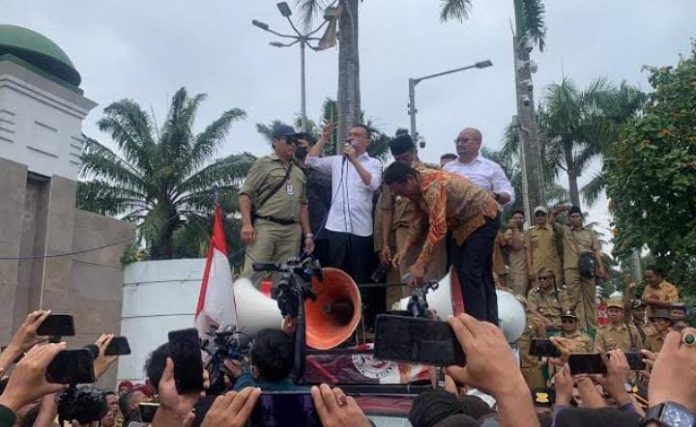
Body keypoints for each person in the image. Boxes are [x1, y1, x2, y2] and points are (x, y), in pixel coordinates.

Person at [384, 163, 500, 323]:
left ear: (409, 179)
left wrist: (420, 264)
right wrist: (404, 250)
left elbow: (438, 228)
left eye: (402, 192)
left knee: (470, 274)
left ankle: (478, 327)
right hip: (463, 226)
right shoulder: (417, 189)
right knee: (468, 275)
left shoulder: (433, 187)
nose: (403, 197)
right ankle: (488, 324)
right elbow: (418, 221)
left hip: (483, 217)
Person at [306, 124, 383, 326]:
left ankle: (361, 320)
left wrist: (355, 161)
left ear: (367, 141)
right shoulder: (336, 162)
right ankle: (336, 319)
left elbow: (373, 184)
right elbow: (310, 161)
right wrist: (323, 138)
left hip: (361, 228)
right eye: (350, 135)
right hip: (336, 227)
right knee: (337, 273)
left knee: (360, 275)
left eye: (357, 135)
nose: (352, 138)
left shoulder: (373, 163)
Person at [239, 124, 314, 287]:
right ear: (275, 142)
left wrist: (308, 234)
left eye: (295, 141)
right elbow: (245, 194)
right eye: (288, 140)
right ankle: (245, 311)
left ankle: (281, 312)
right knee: (253, 272)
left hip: (292, 230)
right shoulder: (264, 164)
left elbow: (303, 205)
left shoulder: (298, 171)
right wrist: (246, 224)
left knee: (286, 279)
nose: (293, 145)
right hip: (266, 225)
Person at [378, 134, 445, 306]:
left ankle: (435, 310)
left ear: (414, 152)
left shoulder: (433, 171)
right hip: (404, 230)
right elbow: (387, 210)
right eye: (397, 159)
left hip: (432, 228)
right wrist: (386, 242)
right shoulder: (391, 176)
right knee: (407, 277)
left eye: (405, 158)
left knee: (433, 272)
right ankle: (411, 312)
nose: (402, 162)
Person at [551, 205, 607, 331]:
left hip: (588, 269)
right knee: (574, 300)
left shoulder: (590, 233)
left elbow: (596, 250)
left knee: (590, 300)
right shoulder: (565, 231)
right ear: (569, 219)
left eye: (577, 216)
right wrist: (560, 209)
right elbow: (551, 221)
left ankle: (593, 330)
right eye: (572, 217)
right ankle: (579, 329)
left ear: (581, 218)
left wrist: (601, 267)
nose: (574, 219)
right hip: (571, 268)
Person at [442, 127, 514, 207]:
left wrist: (495, 196)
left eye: (465, 141)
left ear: (478, 144)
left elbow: (509, 195)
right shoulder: (447, 168)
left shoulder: (492, 167)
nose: (459, 144)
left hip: (485, 216)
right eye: (457, 141)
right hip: (454, 216)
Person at [296, 130, 333, 268]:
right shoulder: (291, 171)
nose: (297, 147)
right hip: (298, 233)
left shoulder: (324, 171)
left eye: (301, 144)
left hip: (322, 232)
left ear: (311, 146)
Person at [233, 329, 303, 391]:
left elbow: (245, 380)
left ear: (255, 371)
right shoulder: (309, 396)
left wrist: (241, 374)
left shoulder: (242, 390)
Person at [525, 206, 563, 290]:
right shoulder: (530, 232)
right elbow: (528, 251)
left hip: (553, 265)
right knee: (538, 291)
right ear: (534, 217)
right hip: (537, 266)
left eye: (542, 215)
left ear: (546, 216)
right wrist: (530, 269)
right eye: (537, 215)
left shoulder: (553, 229)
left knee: (556, 290)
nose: (540, 217)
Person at [517, 297, 547, 389]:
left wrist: (543, 359)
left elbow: (544, 341)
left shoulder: (536, 322)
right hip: (516, 366)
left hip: (532, 365)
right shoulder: (508, 322)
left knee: (539, 395)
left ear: (526, 307)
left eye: (520, 305)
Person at [504, 209, 529, 296]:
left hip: (530, 269)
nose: (518, 220)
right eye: (515, 218)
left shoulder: (528, 232)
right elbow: (516, 245)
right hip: (518, 271)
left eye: (520, 218)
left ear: (524, 220)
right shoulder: (509, 232)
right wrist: (514, 229)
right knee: (519, 297)